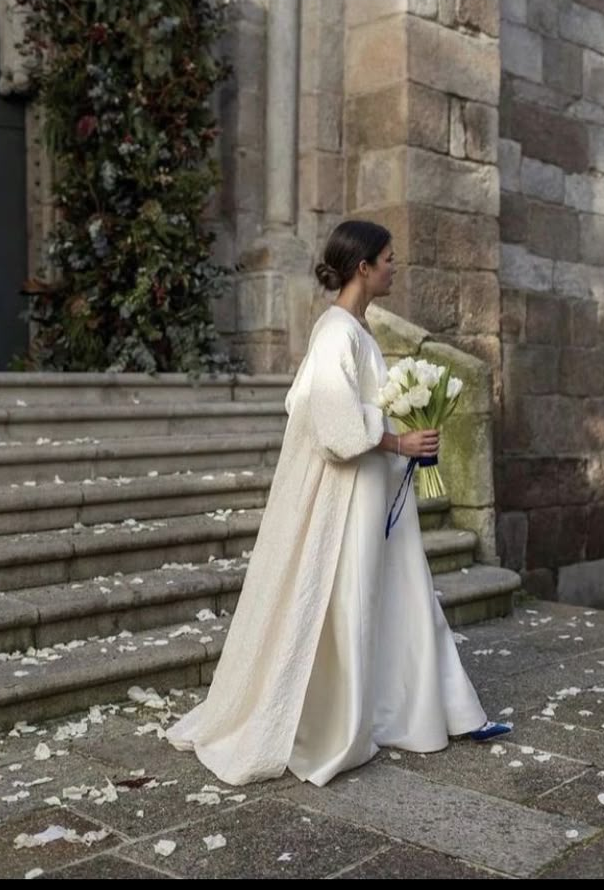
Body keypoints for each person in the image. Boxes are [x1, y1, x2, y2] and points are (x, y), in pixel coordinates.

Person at [165, 220, 512, 787]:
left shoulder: (357, 329)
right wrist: (400, 439)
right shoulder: (337, 333)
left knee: (402, 590)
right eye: (389, 259)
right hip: (349, 497)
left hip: (372, 490)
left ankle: (440, 709)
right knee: (356, 595)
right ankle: (349, 719)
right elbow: (332, 422)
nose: (395, 267)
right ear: (363, 268)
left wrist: (409, 436)